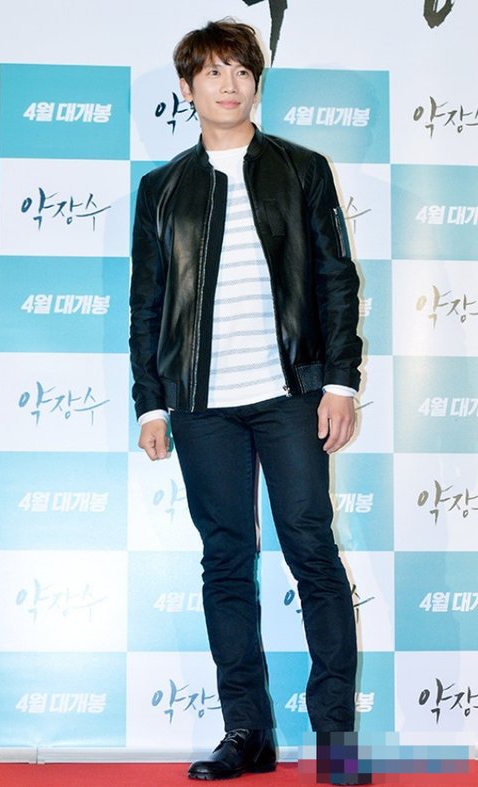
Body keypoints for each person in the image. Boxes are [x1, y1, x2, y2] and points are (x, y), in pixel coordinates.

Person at [130, 19, 366, 784]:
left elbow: (335, 278)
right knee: (226, 561)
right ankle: (248, 734)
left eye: (241, 71)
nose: (228, 85)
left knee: (312, 552)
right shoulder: (161, 189)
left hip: (291, 393)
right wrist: (150, 404)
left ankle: (336, 743)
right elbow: (147, 305)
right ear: (188, 88)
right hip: (201, 406)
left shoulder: (302, 169)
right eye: (212, 72)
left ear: (257, 82)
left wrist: (339, 382)